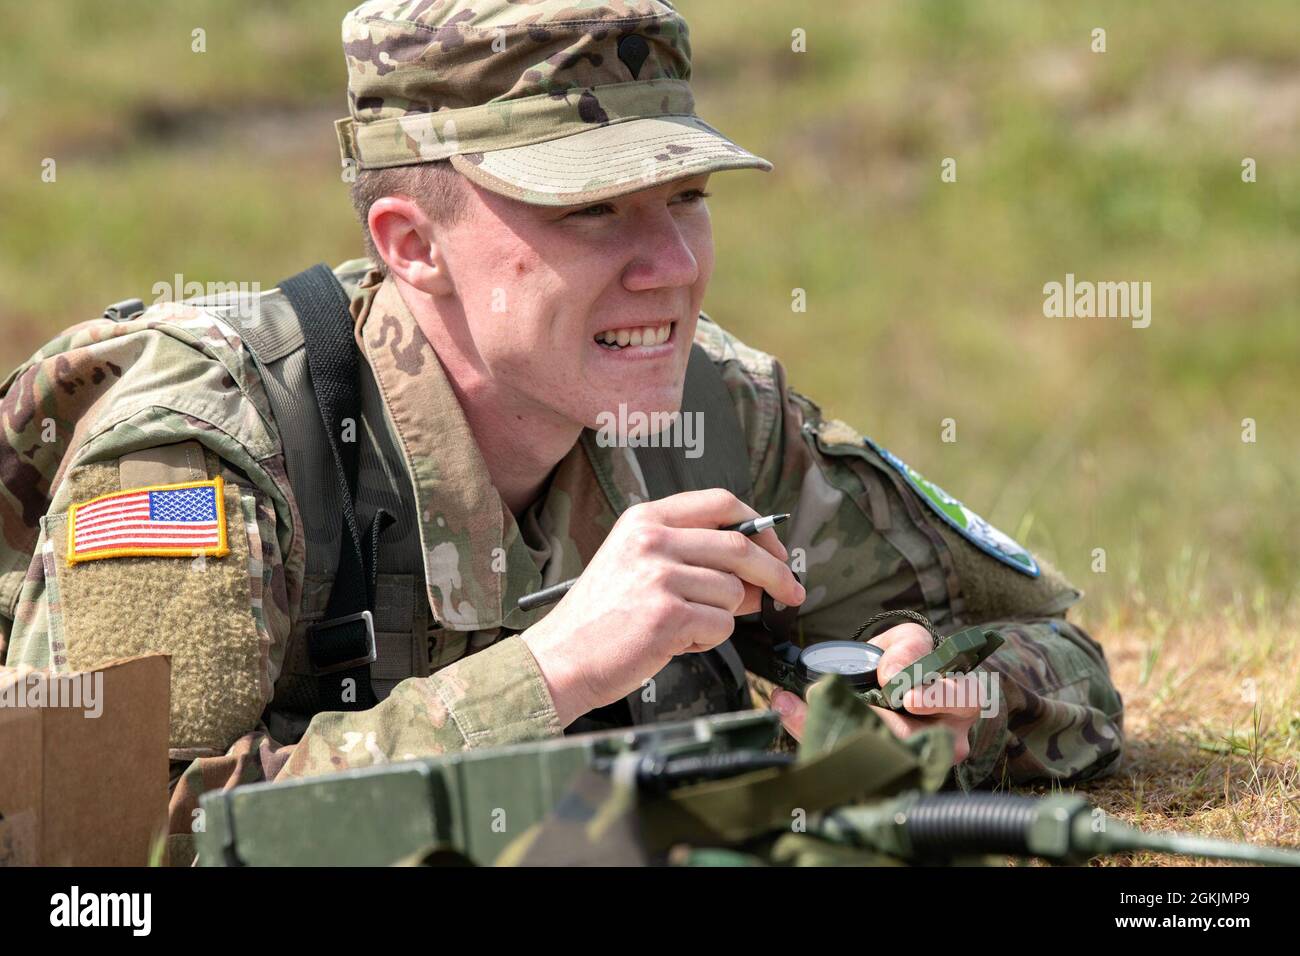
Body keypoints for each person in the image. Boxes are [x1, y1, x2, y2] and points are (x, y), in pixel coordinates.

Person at [0, 0, 1122, 863]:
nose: (674, 268)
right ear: (412, 243)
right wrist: (550, 670)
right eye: (590, 211)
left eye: (687, 197)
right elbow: (79, 848)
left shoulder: (710, 411)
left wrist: (911, 713)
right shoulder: (209, 452)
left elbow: (1061, 657)